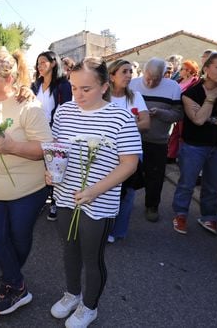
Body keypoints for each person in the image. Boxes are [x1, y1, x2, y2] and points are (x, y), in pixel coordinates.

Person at [48, 57, 140, 328]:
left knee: (92, 256)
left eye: (85, 89)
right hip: (65, 195)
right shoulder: (64, 112)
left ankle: (89, 306)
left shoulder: (120, 116)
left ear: (104, 86)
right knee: (69, 250)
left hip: (99, 201)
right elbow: (56, 148)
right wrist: (51, 170)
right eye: (74, 87)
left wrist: (94, 191)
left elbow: (130, 163)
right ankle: (72, 293)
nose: (78, 95)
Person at [0, 48, 52, 315]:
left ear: (7, 79)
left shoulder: (28, 105)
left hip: (26, 190)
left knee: (19, 238)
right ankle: (16, 282)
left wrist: (12, 147)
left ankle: (10, 283)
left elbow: (47, 148)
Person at [171, 52, 217, 235]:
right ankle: (180, 214)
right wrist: (210, 98)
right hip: (193, 145)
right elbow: (197, 120)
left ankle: (209, 217)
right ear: (207, 69)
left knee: (212, 185)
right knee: (187, 183)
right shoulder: (191, 93)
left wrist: (211, 119)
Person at [130, 58, 183, 222]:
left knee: (155, 176)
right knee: (127, 174)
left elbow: (178, 114)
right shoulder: (132, 84)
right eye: (148, 77)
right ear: (143, 72)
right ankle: (124, 202)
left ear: (165, 74)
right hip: (132, 139)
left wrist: (160, 112)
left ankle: (152, 206)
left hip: (158, 140)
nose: (151, 82)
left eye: (156, 79)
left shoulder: (173, 87)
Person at [106, 59, 150, 242]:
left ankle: (118, 231)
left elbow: (146, 123)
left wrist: (118, 129)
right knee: (106, 190)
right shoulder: (102, 97)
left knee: (128, 193)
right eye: (124, 71)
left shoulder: (136, 97)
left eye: (130, 72)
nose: (129, 75)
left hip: (131, 150)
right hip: (106, 151)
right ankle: (103, 229)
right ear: (111, 75)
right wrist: (129, 125)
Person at [30, 50, 72, 221]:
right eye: (38, 63)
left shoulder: (63, 85)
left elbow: (67, 109)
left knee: (53, 167)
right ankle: (40, 201)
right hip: (35, 131)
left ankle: (55, 202)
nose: (39, 66)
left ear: (53, 63)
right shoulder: (35, 85)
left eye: (43, 63)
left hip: (55, 131)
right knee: (39, 168)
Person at [167, 60, 200, 162]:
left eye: (182, 69)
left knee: (182, 134)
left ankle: (180, 157)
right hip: (178, 109)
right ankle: (171, 155)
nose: (179, 71)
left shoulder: (196, 82)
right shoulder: (179, 81)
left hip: (188, 112)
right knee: (175, 134)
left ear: (189, 70)